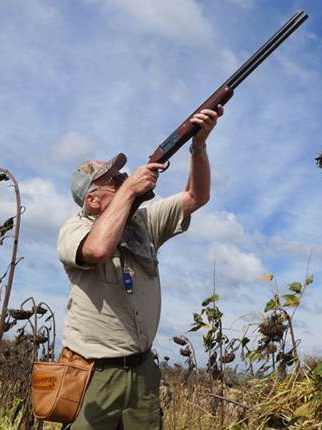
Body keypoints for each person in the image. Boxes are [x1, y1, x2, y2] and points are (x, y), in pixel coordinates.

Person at [57, 106, 223, 429]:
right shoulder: (74, 229)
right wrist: (131, 189)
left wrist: (198, 146)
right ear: (93, 200)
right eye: (114, 179)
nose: (124, 177)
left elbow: (197, 196)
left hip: (142, 370)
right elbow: (98, 248)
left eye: (123, 175)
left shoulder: (142, 223)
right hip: (94, 374)